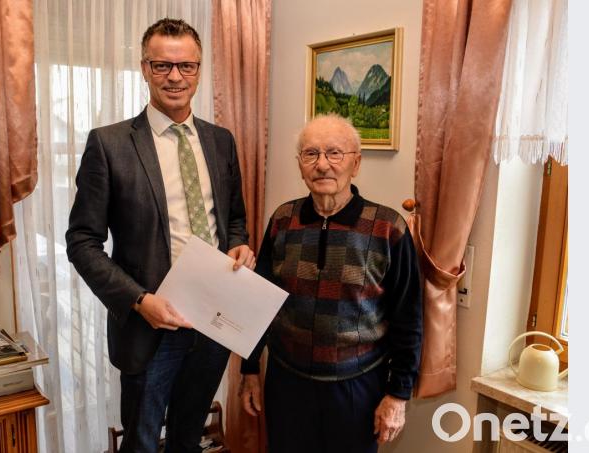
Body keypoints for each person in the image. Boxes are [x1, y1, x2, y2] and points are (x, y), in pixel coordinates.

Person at [66, 18, 255, 453]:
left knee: (189, 438)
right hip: (150, 326)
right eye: (162, 65)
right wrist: (138, 300)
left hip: (214, 321)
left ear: (199, 70)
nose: (175, 77)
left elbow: (235, 219)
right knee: (143, 443)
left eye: (186, 66)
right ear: (144, 68)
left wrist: (238, 245)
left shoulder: (221, 141)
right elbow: (82, 241)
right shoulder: (109, 144)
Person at [239, 114, 423, 453]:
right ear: (300, 165)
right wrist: (249, 370)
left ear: (356, 164)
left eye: (334, 153)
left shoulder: (388, 228)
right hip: (287, 383)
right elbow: (258, 303)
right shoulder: (282, 219)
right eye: (311, 154)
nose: (322, 165)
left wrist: (398, 395)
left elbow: (408, 318)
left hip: (357, 388)